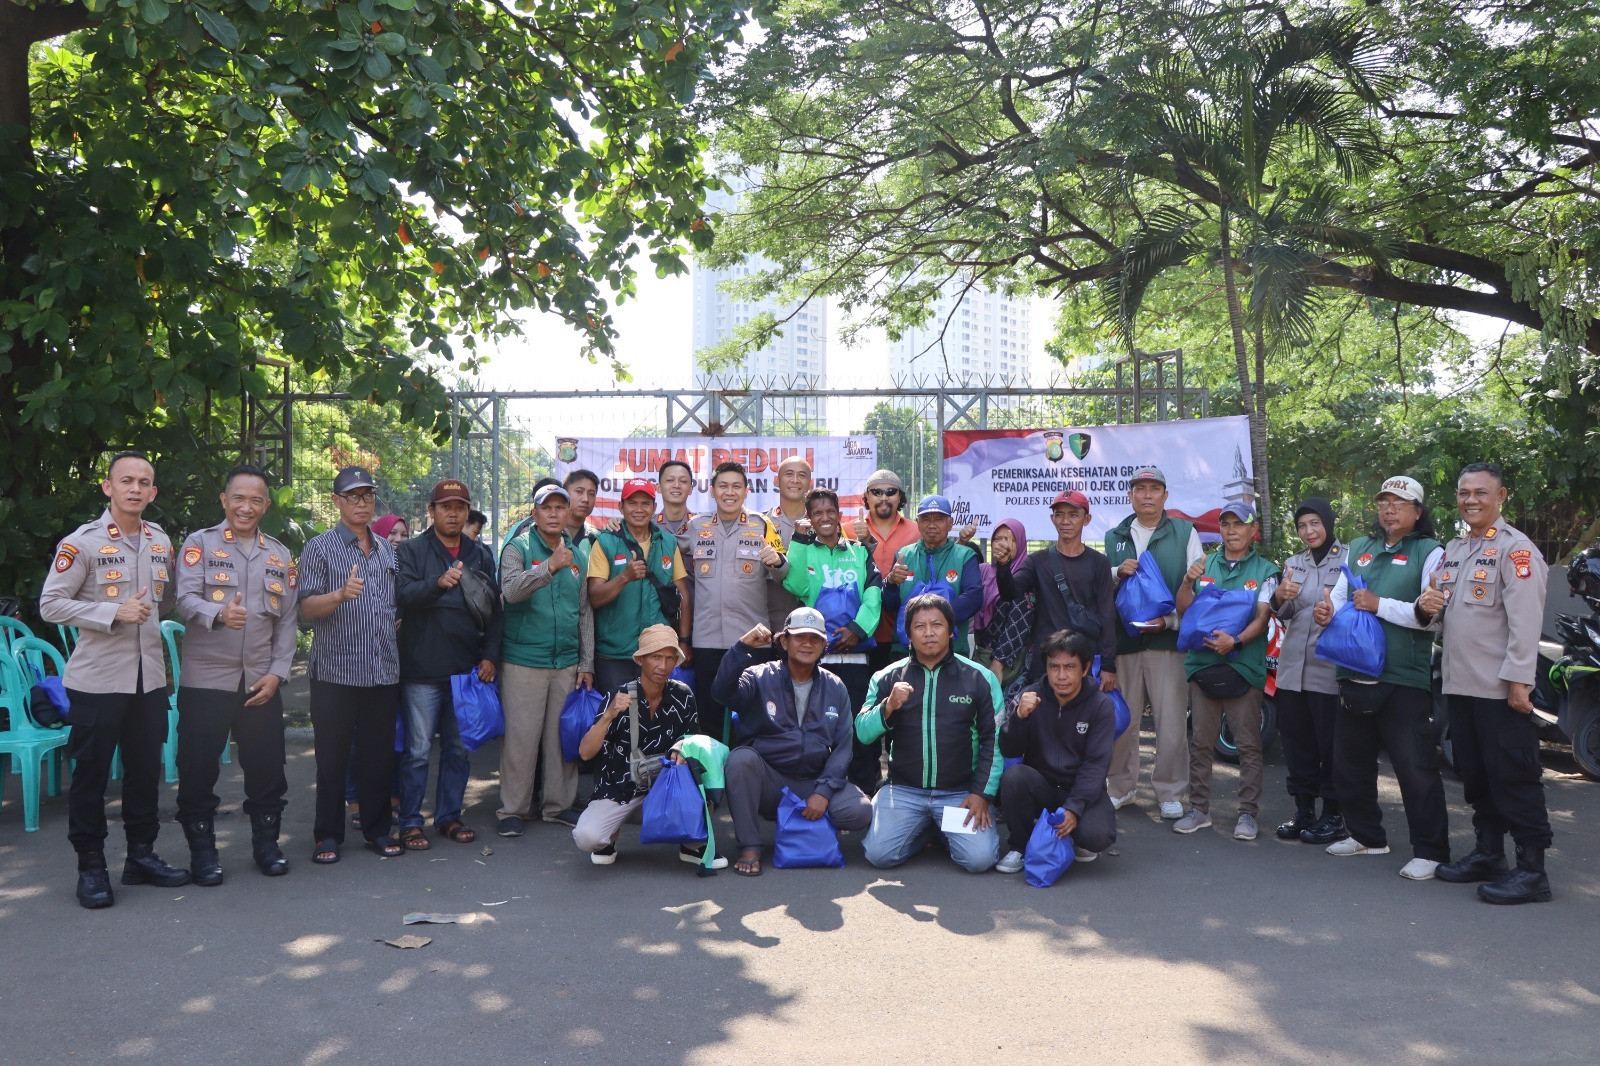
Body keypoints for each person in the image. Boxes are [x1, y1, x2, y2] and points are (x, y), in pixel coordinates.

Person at [39, 452, 188, 907]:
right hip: (98, 682)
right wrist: (112, 611)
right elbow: (51, 604)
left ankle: (141, 856)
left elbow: (164, 601)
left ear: (153, 492)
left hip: (148, 680)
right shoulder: (81, 543)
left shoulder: (160, 540)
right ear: (108, 487)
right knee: (91, 777)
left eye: (144, 482)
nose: (135, 489)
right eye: (126, 480)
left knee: (144, 773)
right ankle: (91, 867)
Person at [1418, 463, 1553, 904]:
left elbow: (1525, 624)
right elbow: (1444, 617)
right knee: (1476, 777)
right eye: (1464, 492)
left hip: (1499, 691)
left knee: (1514, 777)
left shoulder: (1517, 551)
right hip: (1460, 686)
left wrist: (1519, 683)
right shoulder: (1456, 549)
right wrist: (1428, 606)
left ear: (1501, 496)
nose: (1470, 500)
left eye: (1480, 492)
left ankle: (1532, 872)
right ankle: (1490, 854)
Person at [1314, 477, 1450, 879]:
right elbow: (1340, 598)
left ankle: (1431, 851)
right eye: (1384, 502)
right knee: (1349, 764)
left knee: (1414, 768)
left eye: (1399, 503)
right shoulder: (1360, 547)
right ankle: (1366, 836)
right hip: (1354, 671)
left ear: (1418, 512)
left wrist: (1379, 604)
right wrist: (1327, 613)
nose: (1389, 509)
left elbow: (1430, 618)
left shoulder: (1430, 551)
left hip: (1403, 676)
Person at [172, 464, 299, 885]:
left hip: (260, 681)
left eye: (256, 500)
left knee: (267, 769)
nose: (247, 507)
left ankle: (267, 846)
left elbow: (287, 621)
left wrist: (278, 673)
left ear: (266, 505)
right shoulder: (200, 544)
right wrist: (218, 613)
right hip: (206, 680)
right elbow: (184, 599)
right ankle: (203, 853)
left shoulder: (279, 555)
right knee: (197, 769)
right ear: (224, 500)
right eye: (239, 498)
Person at [713, 610, 874, 876]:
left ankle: (798, 821)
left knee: (860, 811)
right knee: (740, 760)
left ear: (824, 645)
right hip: (769, 781)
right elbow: (722, 693)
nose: (807, 644)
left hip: (813, 779)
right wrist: (742, 647)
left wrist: (823, 792)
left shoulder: (835, 686)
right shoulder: (759, 676)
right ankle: (750, 846)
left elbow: (843, 746)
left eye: (815, 638)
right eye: (799, 637)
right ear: (784, 642)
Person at [297, 465, 403, 863]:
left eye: (367, 495)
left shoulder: (386, 549)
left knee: (378, 757)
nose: (362, 503)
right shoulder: (319, 548)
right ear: (336, 501)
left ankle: (378, 831)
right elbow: (306, 609)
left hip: (382, 670)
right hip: (335, 674)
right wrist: (339, 595)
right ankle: (327, 835)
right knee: (332, 758)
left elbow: (393, 599)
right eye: (353, 496)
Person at [856, 594, 1003, 873]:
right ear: (908, 634)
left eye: (937, 625)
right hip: (903, 790)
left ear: (951, 631)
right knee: (879, 855)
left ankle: (940, 828)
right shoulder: (887, 676)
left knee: (979, 860)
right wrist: (888, 706)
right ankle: (928, 828)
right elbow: (863, 733)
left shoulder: (980, 678)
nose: (928, 633)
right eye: (919, 626)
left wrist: (982, 794)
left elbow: (994, 741)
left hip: (959, 792)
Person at [393, 479, 503, 851]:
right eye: (445, 507)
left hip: (465, 670)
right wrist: (437, 583)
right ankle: (410, 822)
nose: (453, 514)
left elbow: (495, 611)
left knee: (458, 749)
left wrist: (490, 656)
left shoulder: (479, 554)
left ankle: (449, 817)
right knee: (418, 751)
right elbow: (402, 594)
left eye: (460, 507)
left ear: (467, 512)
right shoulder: (412, 550)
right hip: (421, 669)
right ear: (432, 511)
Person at [1173, 502, 1277, 841]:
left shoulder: (1266, 570)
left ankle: (1247, 814)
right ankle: (1198, 810)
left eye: (1239, 524)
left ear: (1253, 530)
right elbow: (1183, 610)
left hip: (1243, 668)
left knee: (1248, 746)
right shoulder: (1203, 564)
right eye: (1226, 524)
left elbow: (1262, 617)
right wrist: (1187, 582)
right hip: (1203, 667)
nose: (1231, 530)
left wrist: (1235, 641)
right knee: (1200, 744)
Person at [1103, 466, 1203, 817]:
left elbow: (1196, 588)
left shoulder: (1185, 532)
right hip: (1125, 644)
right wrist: (1117, 572)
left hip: (1168, 643)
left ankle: (1170, 791)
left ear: (1165, 495)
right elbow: (1100, 588)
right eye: (1140, 488)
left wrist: (1170, 621)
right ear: (1130, 495)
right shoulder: (1114, 535)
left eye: (1154, 488)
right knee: (1121, 722)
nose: (1147, 495)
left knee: (1172, 722)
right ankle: (1120, 787)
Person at [498, 483, 595, 835]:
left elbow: (584, 612)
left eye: (560, 508)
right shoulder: (518, 548)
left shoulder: (578, 555)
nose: (554, 514)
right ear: (534, 513)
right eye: (546, 508)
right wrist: (549, 568)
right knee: (521, 739)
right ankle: (513, 810)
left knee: (560, 739)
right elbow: (511, 592)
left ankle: (558, 806)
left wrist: (586, 663)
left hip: (566, 663)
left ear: (568, 513)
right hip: (524, 661)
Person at [571, 625, 703, 866]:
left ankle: (692, 843)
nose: (663, 666)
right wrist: (608, 715)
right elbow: (585, 752)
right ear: (641, 660)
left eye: (669, 658)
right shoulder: (618, 695)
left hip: (666, 789)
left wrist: (683, 749)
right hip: (620, 791)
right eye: (656, 657)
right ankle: (609, 836)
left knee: (709, 775)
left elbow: (695, 741)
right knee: (587, 837)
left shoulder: (683, 695)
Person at [782, 487, 885, 793]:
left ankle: (864, 792)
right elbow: (796, 585)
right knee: (816, 728)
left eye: (830, 512)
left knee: (858, 728)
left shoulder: (860, 551)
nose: (824, 518)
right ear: (809, 518)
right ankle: (817, 794)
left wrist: (857, 629)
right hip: (817, 660)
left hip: (856, 659)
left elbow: (873, 595)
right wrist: (798, 540)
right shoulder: (804, 549)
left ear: (840, 515)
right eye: (817, 513)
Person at [995, 629, 1118, 874]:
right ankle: (1020, 845)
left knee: (1098, 836)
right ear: (1046, 668)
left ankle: (1071, 835)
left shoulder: (1101, 705)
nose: (1061, 676)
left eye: (1070, 667)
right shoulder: (1031, 695)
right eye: (1054, 667)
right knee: (1014, 777)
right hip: (1041, 786)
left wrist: (1074, 808)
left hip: (1080, 789)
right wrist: (1019, 718)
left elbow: (1096, 765)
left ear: (1085, 669)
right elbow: (1009, 749)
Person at [686, 461, 791, 741]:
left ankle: (746, 767)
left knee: (750, 719)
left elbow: (783, 574)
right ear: (712, 491)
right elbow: (665, 545)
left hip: (752, 640)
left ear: (746, 491)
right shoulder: (695, 526)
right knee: (709, 718)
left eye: (736, 486)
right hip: (706, 640)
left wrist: (777, 562)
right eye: (723, 486)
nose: (729, 492)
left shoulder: (763, 525)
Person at [1269, 498, 1346, 842]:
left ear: (1328, 522)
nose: (1308, 531)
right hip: (1291, 671)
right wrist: (1279, 596)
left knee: (1331, 747)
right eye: (1302, 525)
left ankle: (1333, 815)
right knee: (1297, 744)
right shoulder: (1292, 563)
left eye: (1315, 523)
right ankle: (1303, 812)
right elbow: (1283, 613)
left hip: (1328, 671)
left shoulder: (1348, 560)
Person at [993, 490, 1118, 690]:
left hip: (1083, 660)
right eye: (1059, 514)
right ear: (1052, 519)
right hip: (1046, 660)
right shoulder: (1037, 561)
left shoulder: (1099, 562)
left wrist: (1108, 664)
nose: (1065, 521)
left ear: (1086, 519)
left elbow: (1107, 614)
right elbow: (1010, 593)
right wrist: (1002, 566)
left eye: (1073, 515)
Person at [588, 477, 691, 696]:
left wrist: (683, 641)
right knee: (617, 713)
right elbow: (594, 598)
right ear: (621, 507)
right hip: (615, 653)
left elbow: (683, 595)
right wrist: (624, 577)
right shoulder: (605, 542)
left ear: (654, 507)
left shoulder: (668, 542)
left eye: (645, 503)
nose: (639, 509)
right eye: (632, 503)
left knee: (654, 714)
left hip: (658, 652)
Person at [883, 494, 984, 653]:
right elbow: (889, 605)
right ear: (917, 523)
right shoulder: (904, 555)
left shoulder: (965, 556)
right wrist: (890, 583)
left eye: (939, 519)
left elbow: (974, 597)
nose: (931, 525)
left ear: (950, 523)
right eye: (926, 519)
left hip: (952, 652)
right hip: (906, 653)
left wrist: (937, 618)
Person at [853, 467, 920, 668]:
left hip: (901, 633)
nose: (884, 497)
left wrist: (962, 542)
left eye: (891, 492)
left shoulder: (917, 531)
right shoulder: (848, 530)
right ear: (866, 496)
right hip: (858, 630)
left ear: (900, 497)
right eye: (877, 492)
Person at [765, 455, 813, 630]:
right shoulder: (762, 523)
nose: (795, 480)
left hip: (811, 623)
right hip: (768, 623)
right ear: (776, 480)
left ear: (810, 483)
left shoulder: (822, 524)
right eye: (789, 474)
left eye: (802, 475)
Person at [655, 460, 697, 555]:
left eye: (683, 481)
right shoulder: (648, 526)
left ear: (691, 489)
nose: (676, 485)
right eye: (670, 480)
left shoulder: (701, 525)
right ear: (658, 487)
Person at [563, 468, 601, 549]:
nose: (586, 499)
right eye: (579, 491)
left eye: (591, 494)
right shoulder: (546, 532)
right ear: (564, 493)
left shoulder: (597, 538)